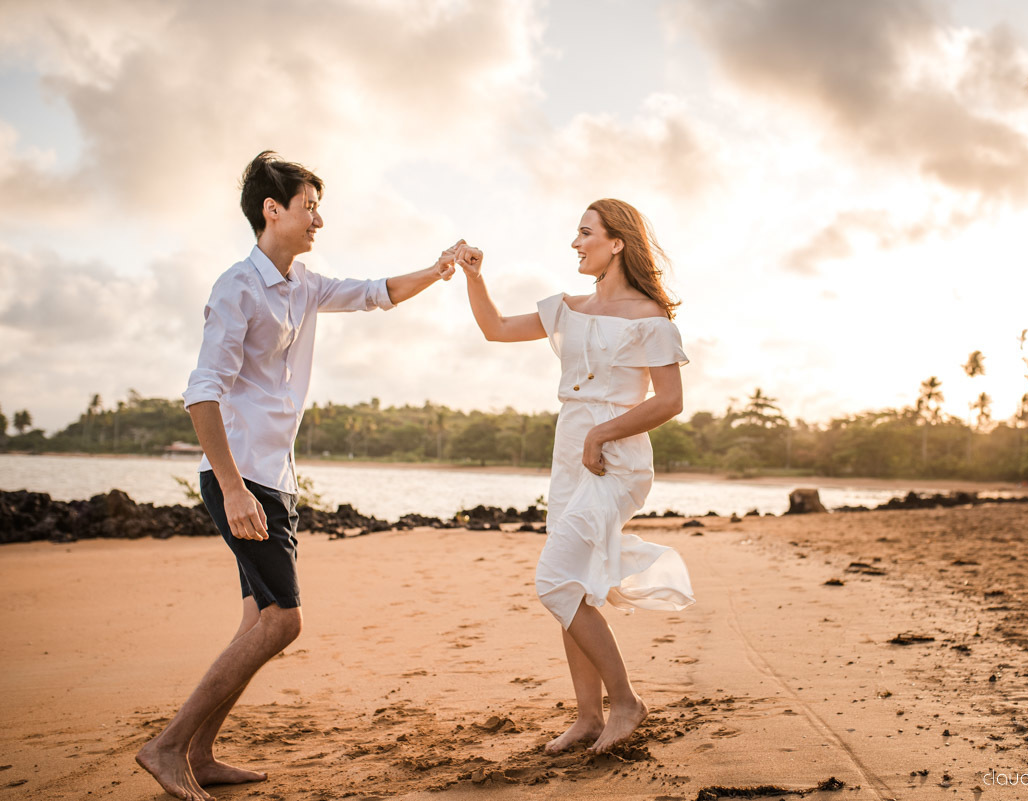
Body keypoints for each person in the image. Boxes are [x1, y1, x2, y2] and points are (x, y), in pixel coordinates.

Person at [136, 151, 459, 801]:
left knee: (258, 614)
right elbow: (202, 394)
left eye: (319, 206)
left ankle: (199, 751)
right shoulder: (237, 287)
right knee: (284, 621)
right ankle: (167, 746)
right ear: (271, 209)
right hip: (242, 478)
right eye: (309, 205)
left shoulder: (304, 284)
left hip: (274, 478)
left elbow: (375, 294)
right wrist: (231, 489)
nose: (319, 217)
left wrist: (439, 267)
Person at [455, 198, 696, 754]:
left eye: (585, 233)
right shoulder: (566, 308)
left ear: (617, 243)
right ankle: (587, 716)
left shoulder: (648, 318)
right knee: (574, 588)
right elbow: (493, 328)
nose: (575, 243)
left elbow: (671, 401)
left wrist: (600, 435)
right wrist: (475, 275)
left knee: (555, 580)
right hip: (569, 458)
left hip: (615, 461)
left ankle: (626, 701)